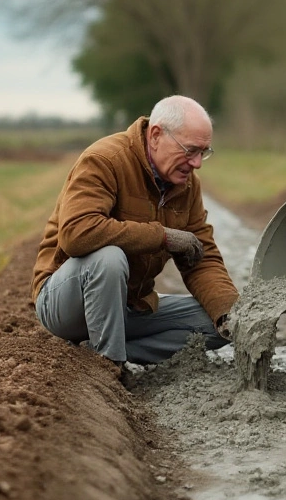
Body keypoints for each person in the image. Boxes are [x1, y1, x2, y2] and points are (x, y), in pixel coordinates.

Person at [32, 95, 238, 371]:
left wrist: (228, 313)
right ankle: (108, 365)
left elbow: (203, 258)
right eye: (190, 151)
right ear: (155, 135)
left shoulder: (188, 187)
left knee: (218, 322)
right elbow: (76, 233)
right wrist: (162, 236)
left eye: (204, 152)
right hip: (67, 303)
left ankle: (112, 350)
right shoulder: (105, 160)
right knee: (108, 257)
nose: (197, 163)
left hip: (131, 305)